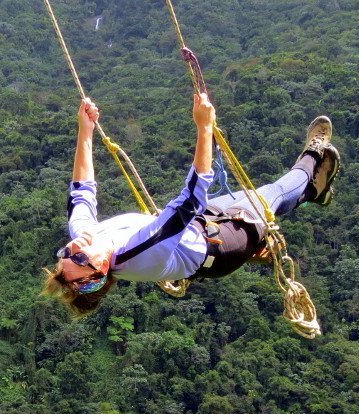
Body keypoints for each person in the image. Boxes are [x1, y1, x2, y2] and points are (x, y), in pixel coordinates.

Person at [42, 93, 341, 316]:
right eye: (80, 259)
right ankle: (314, 154)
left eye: (65, 253)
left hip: (197, 228)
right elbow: (191, 198)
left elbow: (81, 190)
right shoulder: (143, 250)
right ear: (103, 266)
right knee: (269, 195)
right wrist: (204, 128)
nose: (74, 248)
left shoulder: (84, 236)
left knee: (269, 202)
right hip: (222, 247)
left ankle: (312, 192)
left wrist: (86, 129)